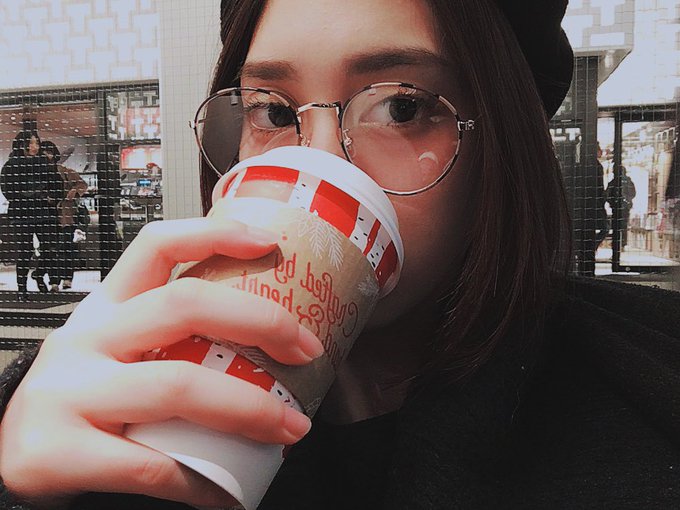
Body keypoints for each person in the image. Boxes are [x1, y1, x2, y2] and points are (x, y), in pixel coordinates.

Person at [1, 1, 680, 509]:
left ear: (500, 143)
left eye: (404, 107)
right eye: (272, 111)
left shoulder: (648, 387)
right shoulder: (109, 392)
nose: (318, 159)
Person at [0, 131, 63, 301]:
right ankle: (22, 289)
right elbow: (8, 190)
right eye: (32, 143)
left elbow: (57, 184)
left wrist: (52, 197)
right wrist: (30, 196)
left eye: (37, 143)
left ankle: (39, 273)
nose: (35, 146)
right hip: (22, 214)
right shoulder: (11, 165)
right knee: (25, 250)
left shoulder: (44, 163)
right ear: (22, 145)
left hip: (44, 213)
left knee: (50, 248)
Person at [40, 141, 88, 291]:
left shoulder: (65, 171)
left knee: (67, 247)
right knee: (51, 249)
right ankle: (54, 281)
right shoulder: (39, 174)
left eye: (49, 152)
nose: (47, 155)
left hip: (66, 215)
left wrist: (74, 192)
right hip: (47, 215)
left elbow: (82, 185)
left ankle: (67, 278)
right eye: (44, 152)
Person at [606, 164, 637, 251]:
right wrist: (627, 200)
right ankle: (622, 244)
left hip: (616, 208)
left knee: (616, 226)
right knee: (623, 226)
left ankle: (616, 244)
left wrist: (612, 202)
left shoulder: (613, 182)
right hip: (625, 207)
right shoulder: (629, 182)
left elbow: (607, 195)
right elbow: (633, 193)